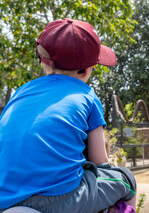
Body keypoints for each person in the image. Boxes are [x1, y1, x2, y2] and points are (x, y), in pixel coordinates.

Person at [0, 18, 136, 213]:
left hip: (4, 198)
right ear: (88, 69)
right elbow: (100, 162)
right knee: (126, 179)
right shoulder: (87, 96)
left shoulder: (20, 93)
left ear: (42, 61)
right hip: (59, 200)